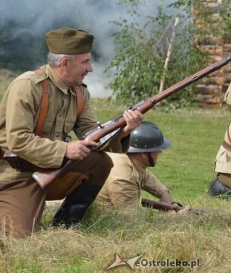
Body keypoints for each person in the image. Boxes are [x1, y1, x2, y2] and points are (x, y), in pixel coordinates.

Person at [0, 27, 144, 238]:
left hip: (49, 169)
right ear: (66, 63)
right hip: (14, 174)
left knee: (100, 161)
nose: (91, 68)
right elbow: (18, 141)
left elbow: (93, 135)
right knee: (18, 239)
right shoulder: (27, 86)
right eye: (85, 61)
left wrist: (123, 132)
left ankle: (67, 223)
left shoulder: (79, 91)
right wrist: (65, 149)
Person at [99, 121, 190, 213]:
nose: (160, 152)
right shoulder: (125, 177)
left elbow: (162, 191)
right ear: (143, 153)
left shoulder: (132, 162)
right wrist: (177, 217)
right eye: (156, 149)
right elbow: (131, 221)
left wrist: (169, 210)